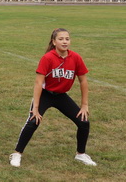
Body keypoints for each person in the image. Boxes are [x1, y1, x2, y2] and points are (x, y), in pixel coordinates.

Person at [9, 28, 96, 167]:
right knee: (33, 121)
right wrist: (35, 108)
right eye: (61, 39)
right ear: (54, 42)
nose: (64, 41)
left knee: (83, 121)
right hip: (45, 94)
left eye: (67, 39)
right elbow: (38, 83)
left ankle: (81, 154)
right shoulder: (47, 58)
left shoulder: (76, 57)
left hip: (61, 96)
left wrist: (84, 105)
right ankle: (17, 153)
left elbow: (83, 81)